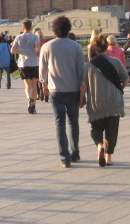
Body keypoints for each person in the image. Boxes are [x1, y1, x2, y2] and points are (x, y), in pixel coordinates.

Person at [39, 15, 85, 168]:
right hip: (73, 89)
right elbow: (82, 70)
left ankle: (64, 157)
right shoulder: (76, 46)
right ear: (68, 29)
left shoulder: (47, 46)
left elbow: (42, 70)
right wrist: (82, 90)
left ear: (54, 30)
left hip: (55, 90)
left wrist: (44, 83)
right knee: (73, 122)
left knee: (60, 123)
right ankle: (75, 152)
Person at [80, 34, 129, 167]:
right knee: (112, 130)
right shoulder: (116, 62)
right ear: (107, 47)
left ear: (95, 49)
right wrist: (120, 88)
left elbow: (84, 85)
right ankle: (108, 158)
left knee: (96, 128)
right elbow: (126, 78)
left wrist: (81, 99)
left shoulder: (88, 65)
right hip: (114, 101)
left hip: (96, 102)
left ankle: (99, 145)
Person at [11, 19, 41, 114]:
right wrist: (36, 54)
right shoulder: (35, 37)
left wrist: (20, 51)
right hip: (34, 63)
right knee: (34, 85)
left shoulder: (18, 37)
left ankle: (29, 98)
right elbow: (38, 49)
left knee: (27, 84)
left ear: (22, 27)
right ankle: (33, 105)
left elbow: (12, 50)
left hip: (23, 63)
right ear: (31, 27)